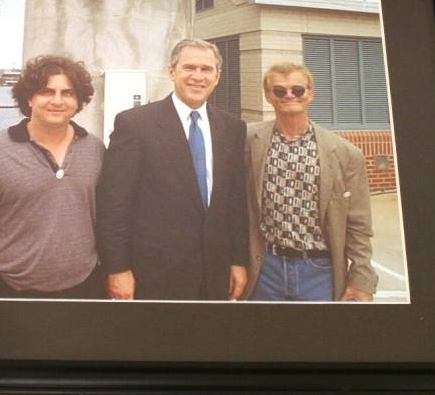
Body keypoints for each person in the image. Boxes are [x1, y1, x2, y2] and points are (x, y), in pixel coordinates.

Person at [96, 38, 248, 301]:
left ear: (217, 76)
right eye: (189, 68)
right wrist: (117, 268)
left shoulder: (232, 128)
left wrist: (238, 260)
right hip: (153, 275)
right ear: (171, 72)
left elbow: (234, 202)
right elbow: (114, 204)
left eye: (206, 69)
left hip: (213, 274)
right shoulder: (135, 125)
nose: (197, 77)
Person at [0, 55, 105, 299]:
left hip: (84, 290)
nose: (58, 101)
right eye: (46, 92)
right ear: (29, 98)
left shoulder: (96, 150)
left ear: (79, 100)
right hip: (8, 294)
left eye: (68, 93)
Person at [244, 63, 378, 302]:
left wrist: (361, 279)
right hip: (266, 269)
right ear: (268, 96)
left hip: (320, 272)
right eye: (279, 91)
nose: (289, 96)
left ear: (310, 93)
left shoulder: (346, 154)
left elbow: (358, 224)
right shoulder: (248, 141)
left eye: (297, 89)